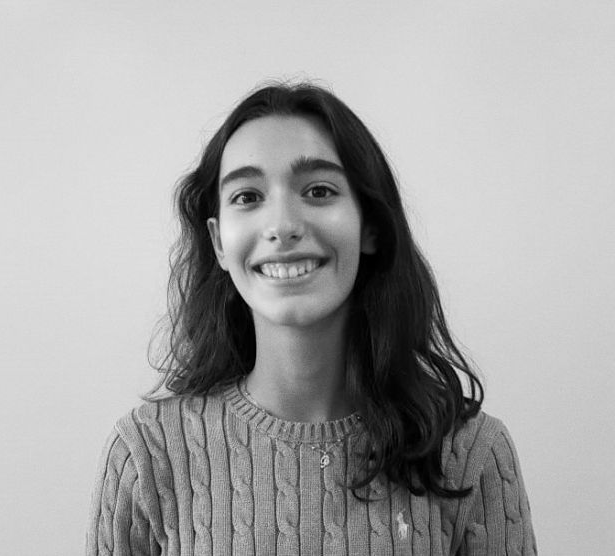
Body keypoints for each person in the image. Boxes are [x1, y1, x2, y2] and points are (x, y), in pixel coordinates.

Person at [86, 82, 537, 555]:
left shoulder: (471, 454)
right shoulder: (146, 455)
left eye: (319, 191)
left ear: (370, 226)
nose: (282, 226)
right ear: (219, 242)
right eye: (247, 196)